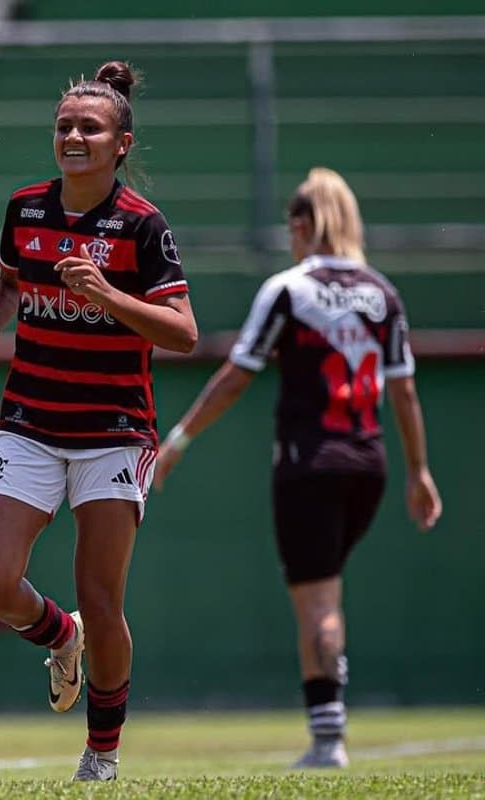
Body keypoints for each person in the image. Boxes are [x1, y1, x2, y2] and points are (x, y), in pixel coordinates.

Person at [0, 61, 197, 782]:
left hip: (114, 433)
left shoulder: (142, 225)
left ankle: (101, 756)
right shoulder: (26, 209)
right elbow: (8, 282)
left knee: (102, 597)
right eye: (64, 126)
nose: (73, 137)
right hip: (29, 421)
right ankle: (62, 638)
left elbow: (184, 333)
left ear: (121, 144)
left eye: (89, 127)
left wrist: (108, 295)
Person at [155, 167, 442, 769]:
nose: (290, 238)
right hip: (369, 464)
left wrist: (178, 439)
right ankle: (329, 727)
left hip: (309, 462)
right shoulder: (382, 293)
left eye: (293, 226)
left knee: (317, 603)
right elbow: (405, 392)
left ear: (310, 224)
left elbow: (236, 375)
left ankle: (328, 739)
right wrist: (419, 471)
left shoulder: (289, 289)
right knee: (327, 593)